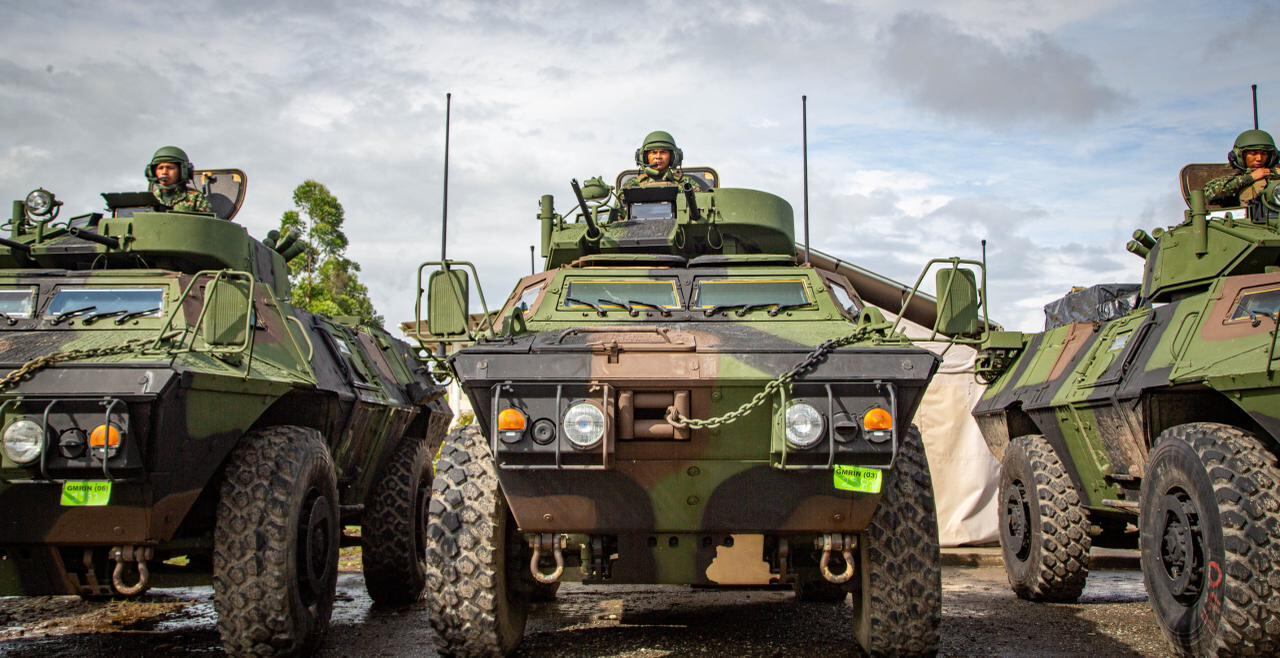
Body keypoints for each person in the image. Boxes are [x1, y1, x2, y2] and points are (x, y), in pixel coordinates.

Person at [1203, 129, 1280, 205]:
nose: (1259, 158)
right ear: (1239, 156)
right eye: (1253, 153)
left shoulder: (1276, 175)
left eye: (1263, 153)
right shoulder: (1234, 181)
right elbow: (1209, 193)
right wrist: (1250, 177)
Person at [145, 146, 212, 213]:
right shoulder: (148, 199)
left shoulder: (196, 198)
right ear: (153, 172)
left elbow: (207, 219)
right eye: (160, 168)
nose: (164, 172)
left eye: (170, 168)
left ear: (183, 172)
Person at [625, 131, 694, 188]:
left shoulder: (686, 184)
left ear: (673, 156)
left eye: (663, 152)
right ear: (644, 157)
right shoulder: (633, 184)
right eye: (654, 152)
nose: (658, 157)